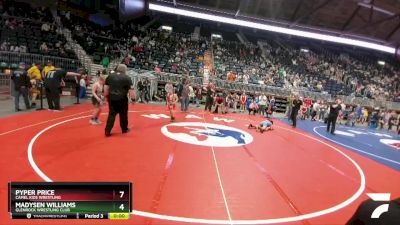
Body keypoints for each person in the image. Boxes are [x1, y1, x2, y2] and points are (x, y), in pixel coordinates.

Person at [104, 64, 135, 137]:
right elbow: (131, 90)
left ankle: (107, 131)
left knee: (111, 114)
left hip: (111, 98)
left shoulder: (110, 76)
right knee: (123, 115)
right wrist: (133, 99)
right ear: (125, 70)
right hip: (122, 99)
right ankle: (124, 129)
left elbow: (106, 89)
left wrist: (106, 97)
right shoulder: (127, 78)